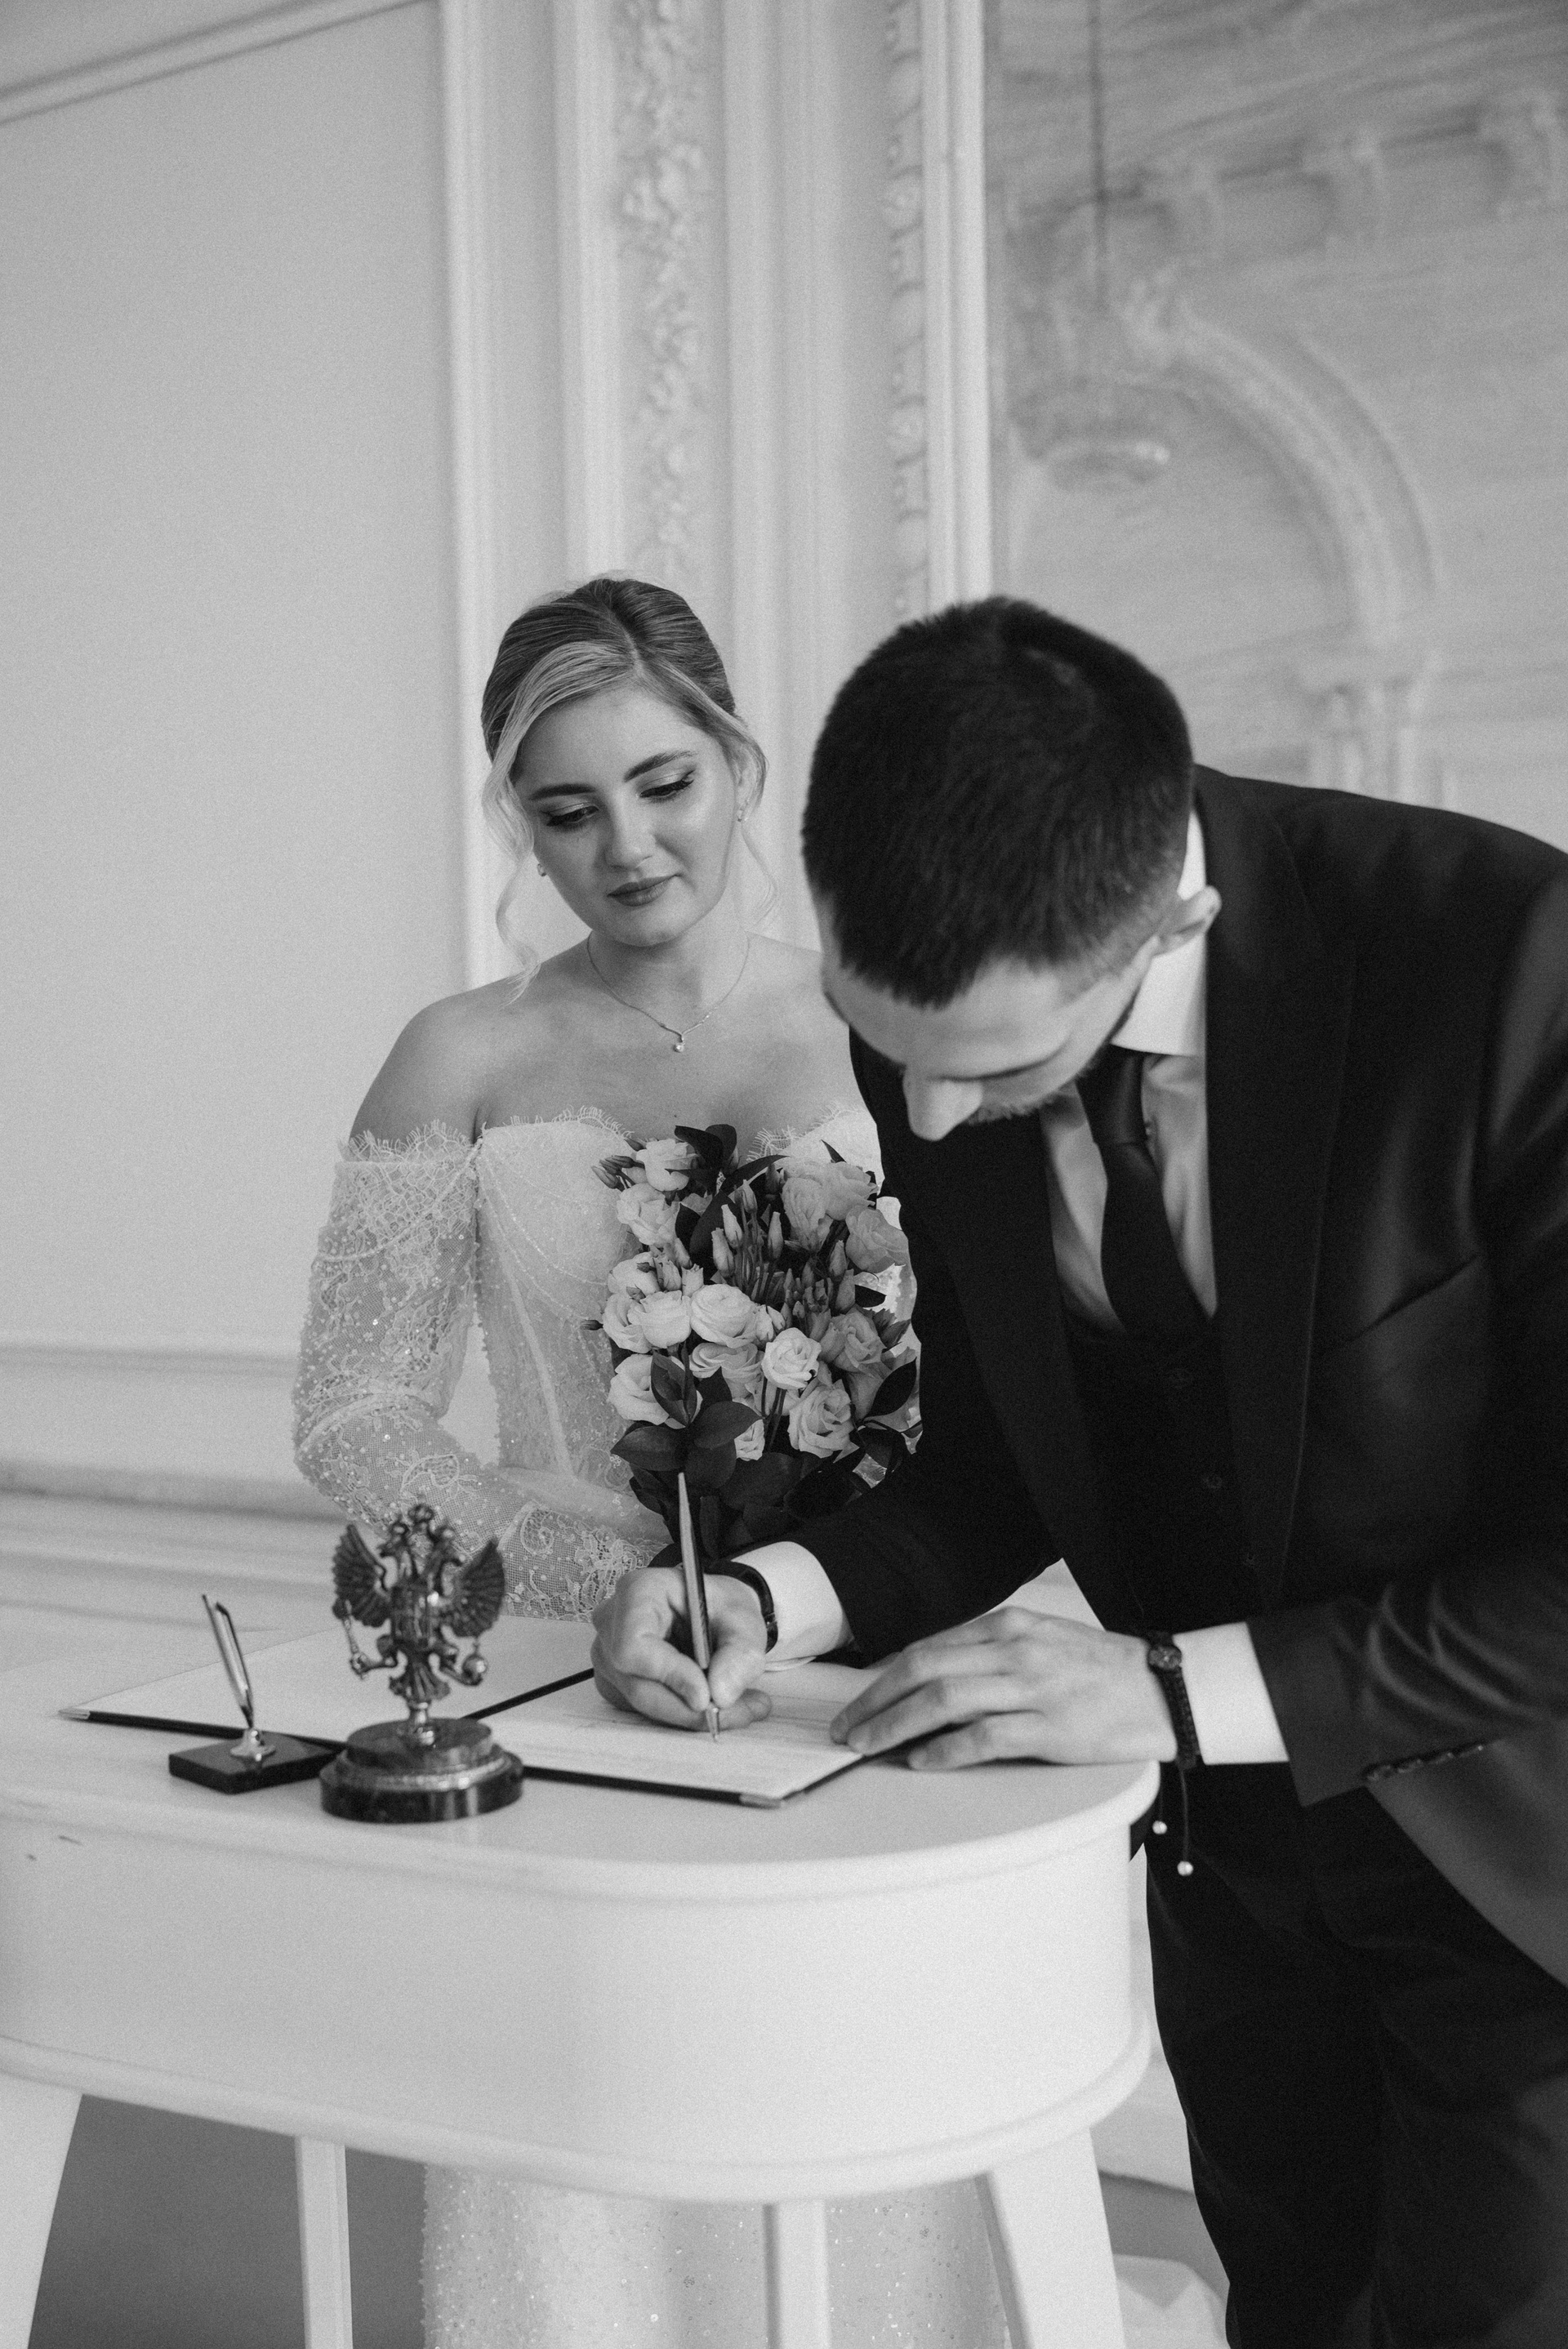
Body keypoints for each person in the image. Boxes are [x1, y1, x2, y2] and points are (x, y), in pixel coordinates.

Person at [593, 595, 1568, 2347]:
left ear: (1169, 919)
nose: (929, 1119)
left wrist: (1170, 1689)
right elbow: (1008, 1461)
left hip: (1523, 1874)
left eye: (1001, 1067)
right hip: (1234, 1889)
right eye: (890, 1048)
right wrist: (764, 1594)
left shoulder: (1512, 965)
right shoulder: (937, 1022)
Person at [291, 577, 1018, 2347]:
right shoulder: (460, 1053)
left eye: (664, 782)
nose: (625, 845)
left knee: (852, 2118)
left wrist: (805, 1583)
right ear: (518, 824)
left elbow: (1014, 1385)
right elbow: (355, 1406)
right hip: (562, 1671)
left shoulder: (896, 1018)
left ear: (740, 762)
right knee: (589, 2134)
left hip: (857, 1644)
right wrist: (595, 1575)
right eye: (566, 810)